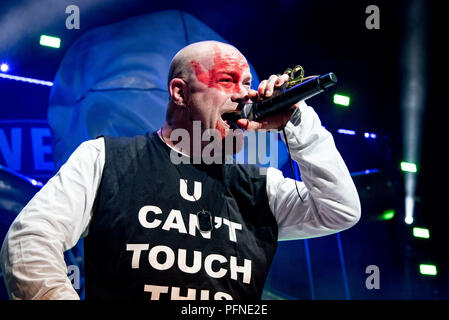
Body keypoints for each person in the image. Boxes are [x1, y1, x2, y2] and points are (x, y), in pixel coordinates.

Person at [0, 41, 360, 300]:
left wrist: (297, 121)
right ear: (179, 93)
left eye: (248, 84)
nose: (245, 96)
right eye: (227, 81)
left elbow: (339, 210)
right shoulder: (105, 158)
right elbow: (30, 238)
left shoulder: (261, 186)